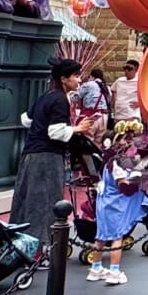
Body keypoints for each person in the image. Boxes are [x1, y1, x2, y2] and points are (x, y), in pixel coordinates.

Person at [11, 57, 93, 245]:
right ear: (64, 79)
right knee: (45, 202)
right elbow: (55, 132)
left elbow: (26, 119)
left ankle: (19, 245)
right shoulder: (59, 100)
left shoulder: (46, 96)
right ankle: (39, 248)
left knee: (26, 199)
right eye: (75, 76)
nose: (79, 80)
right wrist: (77, 129)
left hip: (30, 155)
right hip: (47, 157)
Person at [86, 161, 146, 285]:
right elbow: (123, 185)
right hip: (114, 204)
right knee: (117, 237)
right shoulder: (117, 165)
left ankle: (95, 269)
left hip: (104, 201)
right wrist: (140, 183)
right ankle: (114, 272)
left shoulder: (108, 162)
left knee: (101, 236)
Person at [73, 67, 111, 145]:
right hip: (104, 117)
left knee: (87, 141)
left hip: (92, 116)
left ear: (91, 76)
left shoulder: (89, 84)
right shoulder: (107, 87)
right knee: (99, 142)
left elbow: (74, 97)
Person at [110, 59, 141, 123]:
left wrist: (141, 104)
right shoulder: (119, 81)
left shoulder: (139, 82)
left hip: (132, 115)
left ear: (136, 70)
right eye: (125, 68)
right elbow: (113, 90)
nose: (126, 71)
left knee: (130, 132)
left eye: (130, 69)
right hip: (118, 115)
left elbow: (147, 94)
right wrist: (113, 102)